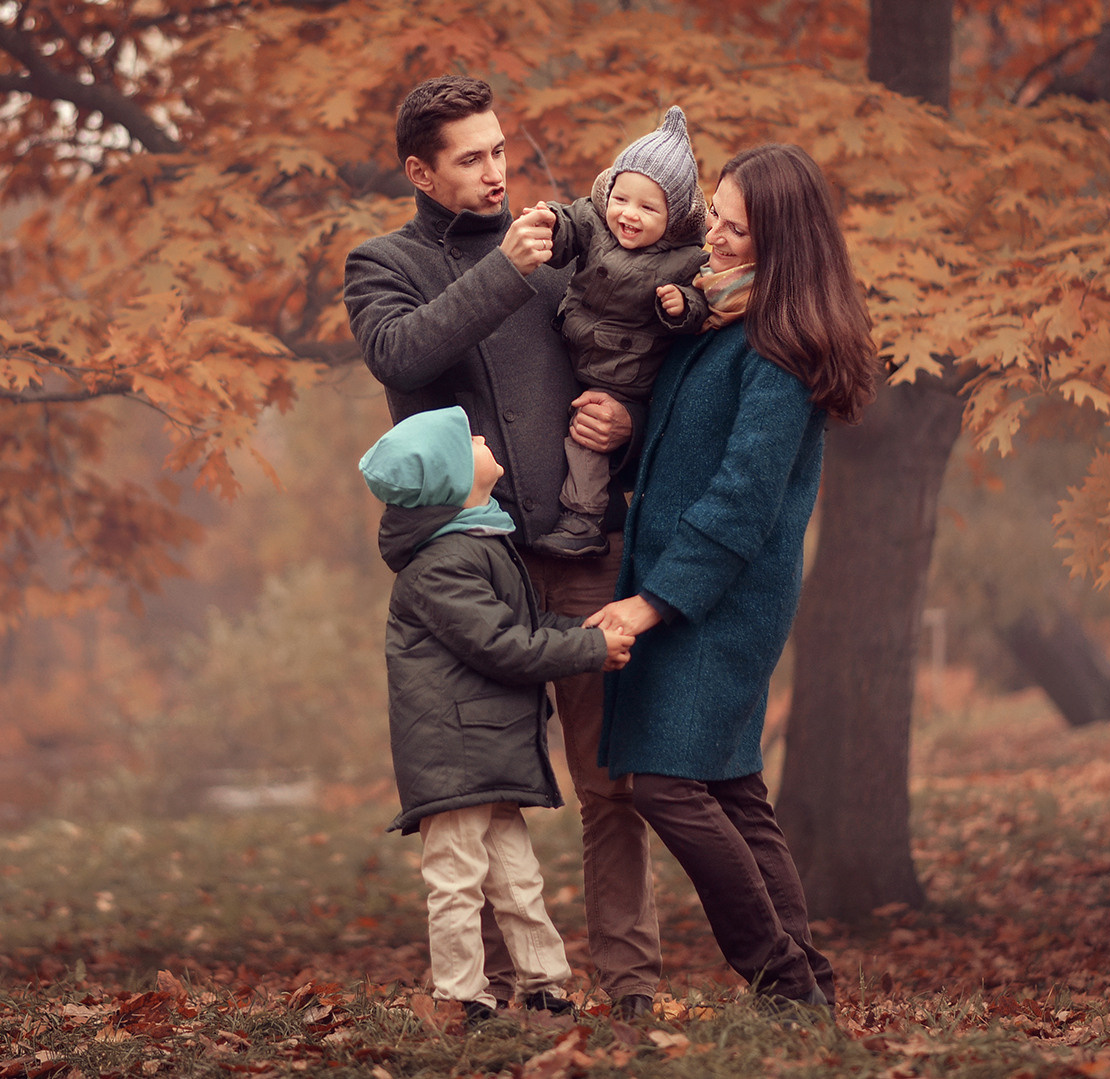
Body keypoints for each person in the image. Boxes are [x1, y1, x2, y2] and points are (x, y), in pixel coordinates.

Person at [344, 75, 664, 1019]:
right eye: (471, 158)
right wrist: (505, 272)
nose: (496, 173)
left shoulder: (572, 253)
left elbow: (626, 359)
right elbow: (400, 355)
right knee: (476, 785)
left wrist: (628, 423)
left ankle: (632, 988)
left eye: (500, 151)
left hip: (579, 549)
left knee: (610, 780)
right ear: (420, 171)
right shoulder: (383, 262)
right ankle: (485, 988)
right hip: (466, 559)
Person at [587, 143, 880, 1012]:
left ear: (781, 243)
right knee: (730, 789)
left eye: (733, 227)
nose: (709, 235)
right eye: (712, 214)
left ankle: (781, 978)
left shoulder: (778, 349)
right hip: (692, 586)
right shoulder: (716, 320)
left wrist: (649, 603)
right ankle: (806, 994)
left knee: (668, 785)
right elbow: (685, 452)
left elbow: (740, 500)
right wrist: (623, 432)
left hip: (720, 600)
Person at [360, 406, 632, 1028]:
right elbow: (501, 646)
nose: (483, 436)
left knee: (517, 878)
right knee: (456, 880)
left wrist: (589, 629)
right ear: (452, 477)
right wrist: (591, 650)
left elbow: (525, 628)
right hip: (454, 754)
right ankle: (463, 995)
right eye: (469, 440)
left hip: (486, 747)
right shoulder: (441, 564)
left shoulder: (477, 541)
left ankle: (545, 985)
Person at [529, 106, 711, 560]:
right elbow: (572, 227)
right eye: (622, 199)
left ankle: (584, 521)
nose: (629, 215)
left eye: (649, 208)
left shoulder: (685, 259)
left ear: (675, 217)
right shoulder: (595, 219)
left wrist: (681, 306)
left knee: (587, 437)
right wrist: (553, 222)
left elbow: (701, 306)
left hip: (623, 369)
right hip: (577, 338)